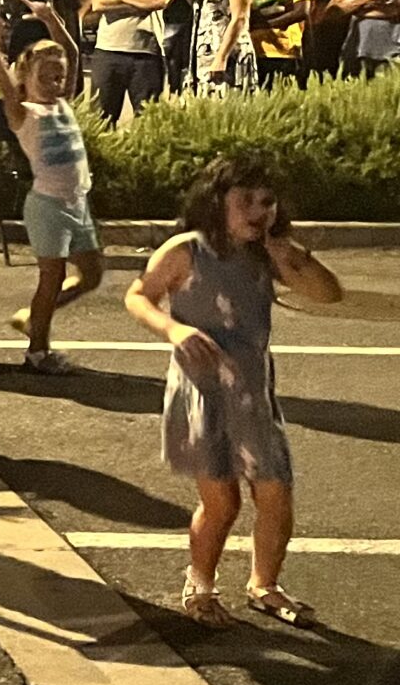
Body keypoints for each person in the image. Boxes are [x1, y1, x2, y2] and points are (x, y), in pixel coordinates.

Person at [126, 156, 342, 627]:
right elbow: (138, 295)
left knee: (276, 494)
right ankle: (200, 583)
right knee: (222, 503)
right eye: (246, 200)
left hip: (253, 393)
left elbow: (329, 293)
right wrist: (173, 329)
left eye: (267, 202)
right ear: (216, 201)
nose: (259, 211)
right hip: (203, 393)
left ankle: (265, 585)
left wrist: (291, 255)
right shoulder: (188, 250)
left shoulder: (266, 255)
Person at [0, 10, 100, 375]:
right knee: (52, 278)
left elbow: (71, 51)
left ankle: (34, 317)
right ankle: (37, 352)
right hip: (48, 206)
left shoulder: (63, 103)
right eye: (45, 76)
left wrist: (51, 18)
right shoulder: (24, 112)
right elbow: (3, 82)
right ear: (25, 78)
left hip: (77, 202)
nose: (54, 82)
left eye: (58, 76)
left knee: (92, 275)